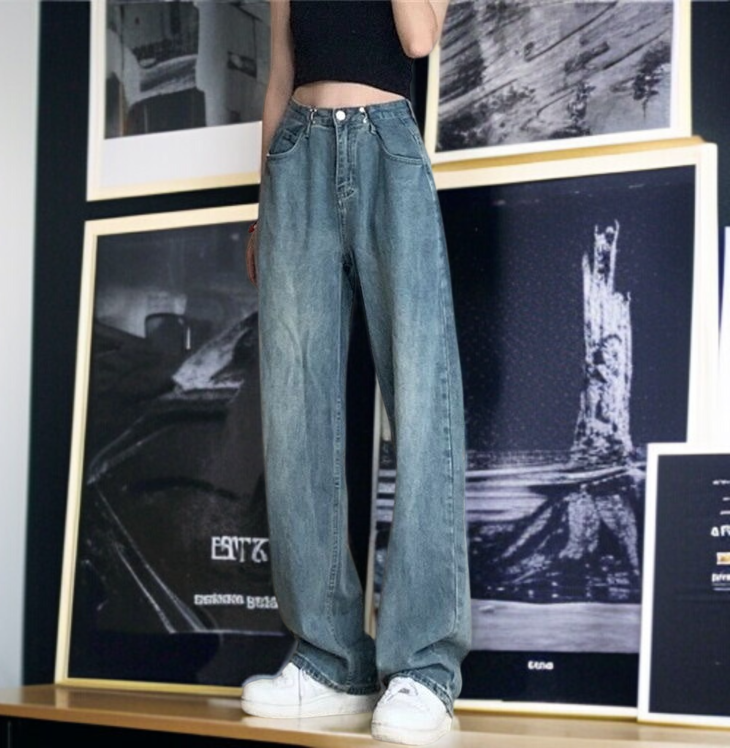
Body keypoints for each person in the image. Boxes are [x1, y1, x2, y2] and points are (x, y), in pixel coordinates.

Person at [242, 1, 471, 744]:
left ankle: (425, 667)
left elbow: (418, 37)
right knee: (294, 408)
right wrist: (264, 204)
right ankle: (329, 658)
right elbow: (279, 78)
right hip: (297, 156)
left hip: (387, 146)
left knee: (423, 395)